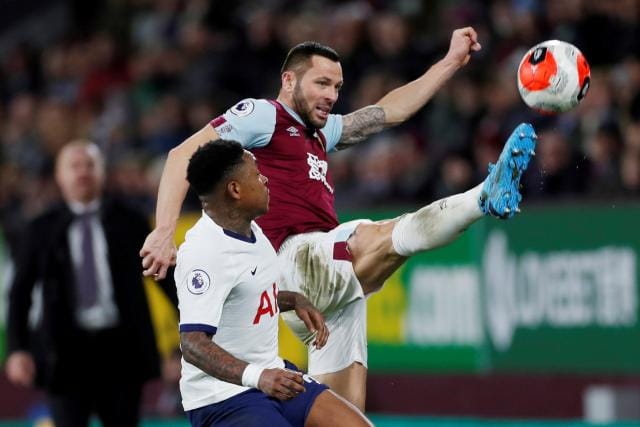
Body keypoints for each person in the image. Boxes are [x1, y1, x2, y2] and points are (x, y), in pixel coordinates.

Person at [140, 27, 538, 410]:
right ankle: (482, 197)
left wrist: (450, 61)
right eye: (322, 83)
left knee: (344, 416)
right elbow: (182, 155)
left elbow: (390, 111)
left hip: (323, 290)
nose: (331, 95)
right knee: (374, 235)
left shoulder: (320, 132)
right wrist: (163, 230)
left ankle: (482, 197)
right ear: (289, 80)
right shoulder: (263, 115)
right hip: (290, 261)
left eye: (337, 87)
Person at [177, 140, 371, 426]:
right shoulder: (204, 253)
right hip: (223, 398)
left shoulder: (251, 229)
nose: (265, 180)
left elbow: (245, 295)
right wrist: (259, 377)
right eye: (257, 174)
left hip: (274, 375)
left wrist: (293, 299)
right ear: (235, 190)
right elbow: (192, 343)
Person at [5, 141, 174, 427]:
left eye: (90, 165)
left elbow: (164, 279)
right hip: (64, 353)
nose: (83, 172)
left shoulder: (130, 221)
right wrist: (17, 349)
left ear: (102, 172)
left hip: (121, 351)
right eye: (74, 166)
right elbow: (20, 294)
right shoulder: (40, 228)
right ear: (59, 176)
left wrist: (190, 335)